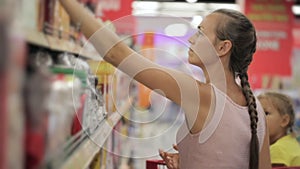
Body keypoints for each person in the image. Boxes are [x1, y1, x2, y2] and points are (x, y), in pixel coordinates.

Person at [58, 0, 271, 168]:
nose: (191, 39)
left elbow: (116, 54)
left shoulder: (202, 95)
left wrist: (67, 3)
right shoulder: (257, 109)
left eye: (200, 32)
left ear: (223, 48)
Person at [258, 91, 300, 167]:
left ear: (284, 121)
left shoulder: (278, 149)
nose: (258, 118)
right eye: (256, 113)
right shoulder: (290, 142)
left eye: (266, 113)